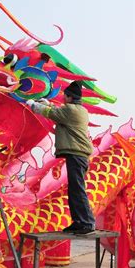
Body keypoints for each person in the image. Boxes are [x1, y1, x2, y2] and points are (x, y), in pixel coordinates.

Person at [26, 81, 95, 234]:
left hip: (77, 155)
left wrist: (33, 105)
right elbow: (59, 112)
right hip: (77, 155)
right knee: (74, 190)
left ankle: (87, 223)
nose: (63, 98)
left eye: (65, 95)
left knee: (77, 190)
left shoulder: (71, 111)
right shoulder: (78, 110)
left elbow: (53, 114)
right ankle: (79, 222)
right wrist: (48, 103)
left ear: (70, 98)